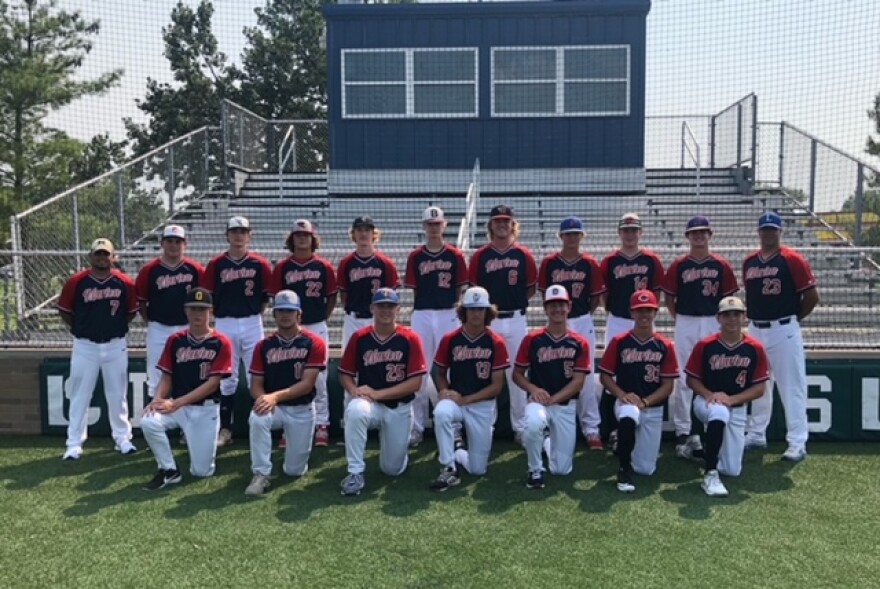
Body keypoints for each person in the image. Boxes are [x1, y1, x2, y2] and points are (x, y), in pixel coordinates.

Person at [742, 212, 819, 461]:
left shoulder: (792, 259)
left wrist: (792, 319)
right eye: (764, 229)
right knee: (760, 385)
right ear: (759, 232)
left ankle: (797, 441)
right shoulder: (750, 262)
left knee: (791, 387)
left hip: (783, 327)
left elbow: (811, 297)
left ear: (780, 231)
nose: (768, 234)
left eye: (772, 229)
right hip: (756, 328)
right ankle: (756, 433)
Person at [140, 288, 233, 490]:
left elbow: (213, 383)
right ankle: (169, 470)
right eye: (193, 309)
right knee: (148, 421)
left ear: (211, 311)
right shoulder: (175, 340)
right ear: (185, 311)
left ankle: (198, 456)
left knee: (201, 471)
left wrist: (177, 402)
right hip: (178, 408)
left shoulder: (221, 342)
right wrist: (157, 399)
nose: (197, 313)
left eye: (202, 309)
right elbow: (167, 376)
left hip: (205, 409)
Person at [661, 216, 738, 461]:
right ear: (688, 237)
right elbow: (670, 298)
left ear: (710, 235)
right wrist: (680, 319)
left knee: (715, 372)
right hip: (687, 319)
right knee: (684, 374)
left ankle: (712, 424)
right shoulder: (679, 265)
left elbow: (729, 300)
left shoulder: (721, 265)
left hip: (713, 320)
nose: (699, 236)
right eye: (694, 233)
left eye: (703, 232)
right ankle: (683, 429)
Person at [337, 288, 426, 496]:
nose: (385, 310)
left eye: (390, 306)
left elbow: (415, 383)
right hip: (371, 405)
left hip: (399, 407)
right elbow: (345, 373)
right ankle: (355, 472)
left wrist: (377, 394)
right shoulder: (360, 337)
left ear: (398, 309)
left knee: (392, 470)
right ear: (372, 308)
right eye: (381, 306)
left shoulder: (410, 338)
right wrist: (354, 390)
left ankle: (397, 452)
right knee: (356, 410)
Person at [57, 238, 139, 460]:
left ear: (113, 256)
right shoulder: (77, 281)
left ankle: (123, 439)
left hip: (115, 345)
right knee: (80, 395)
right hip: (85, 345)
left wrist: (114, 326)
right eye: (98, 254)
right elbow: (65, 310)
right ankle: (74, 443)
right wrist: (80, 327)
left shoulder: (124, 282)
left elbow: (131, 312)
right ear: (90, 256)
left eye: (106, 254)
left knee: (117, 395)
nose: (102, 258)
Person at [244, 290, 327, 497]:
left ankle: (293, 456)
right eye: (280, 310)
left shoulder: (313, 342)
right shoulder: (264, 345)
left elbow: (307, 384)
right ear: (274, 314)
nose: (285, 315)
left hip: (302, 409)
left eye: (290, 311)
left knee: (294, 471)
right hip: (276, 408)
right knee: (257, 417)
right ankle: (261, 473)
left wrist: (274, 396)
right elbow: (255, 385)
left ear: (299, 314)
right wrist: (264, 399)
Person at [685, 296, 770, 496]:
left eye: (736, 314)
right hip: (707, 403)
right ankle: (710, 473)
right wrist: (709, 395)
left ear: (744, 317)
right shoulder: (705, 345)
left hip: (737, 407)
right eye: (726, 315)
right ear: (718, 318)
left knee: (732, 470)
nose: (732, 319)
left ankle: (699, 452)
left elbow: (759, 389)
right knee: (719, 413)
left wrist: (731, 400)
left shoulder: (754, 348)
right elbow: (691, 380)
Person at [429, 286, 509, 491]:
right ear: (463, 311)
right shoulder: (450, 339)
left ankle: (457, 447)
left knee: (477, 469)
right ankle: (448, 468)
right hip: (457, 400)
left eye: (480, 309)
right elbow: (439, 373)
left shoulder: (496, 342)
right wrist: (444, 391)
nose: (476, 313)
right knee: (442, 411)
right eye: (471, 309)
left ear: (487, 312)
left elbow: (497, 386)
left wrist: (466, 399)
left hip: (482, 404)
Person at [469, 204, 537, 443]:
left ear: (512, 225)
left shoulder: (523, 255)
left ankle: (520, 427)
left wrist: (514, 303)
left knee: (517, 374)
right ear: (490, 225)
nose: (501, 224)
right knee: (487, 375)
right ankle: (486, 427)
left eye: (505, 221)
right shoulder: (480, 256)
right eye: (497, 221)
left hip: (516, 318)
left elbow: (530, 288)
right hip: (490, 322)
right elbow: (474, 289)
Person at [203, 215, 272, 448]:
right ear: (227, 235)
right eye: (234, 231)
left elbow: (265, 297)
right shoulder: (216, 264)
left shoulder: (259, 263)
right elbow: (208, 295)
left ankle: (261, 424)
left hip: (252, 321)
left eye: (242, 232)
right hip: (225, 322)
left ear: (249, 235)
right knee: (227, 378)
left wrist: (254, 314)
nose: (238, 236)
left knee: (257, 374)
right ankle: (225, 428)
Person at [599, 290, 678, 493]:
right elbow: (605, 376)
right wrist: (621, 394)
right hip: (627, 402)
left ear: (655, 313)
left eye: (648, 310)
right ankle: (624, 469)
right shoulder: (619, 341)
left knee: (646, 469)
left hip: (652, 408)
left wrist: (646, 402)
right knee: (629, 413)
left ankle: (624, 445)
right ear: (632, 313)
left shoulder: (665, 345)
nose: (644, 315)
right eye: (639, 310)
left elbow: (668, 386)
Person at [538, 216, 605, 450]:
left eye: (576, 234)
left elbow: (595, 298)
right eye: (568, 234)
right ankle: (545, 423)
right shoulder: (549, 263)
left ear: (582, 236)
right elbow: (545, 295)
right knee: (550, 370)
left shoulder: (589, 263)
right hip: (557, 319)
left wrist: (580, 314)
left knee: (585, 376)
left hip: (580, 318)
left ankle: (591, 428)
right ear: (561, 236)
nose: (572, 238)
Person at [513, 285, 591, 489]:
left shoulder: (580, 342)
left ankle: (546, 441)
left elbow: (578, 382)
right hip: (538, 402)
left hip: (564, 405)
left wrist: (554, 399)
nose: (557, 309)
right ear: (545, 309)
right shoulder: (532, 339)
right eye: (552, 305)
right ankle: (535, 469)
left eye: (561, 305)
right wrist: (533, 390)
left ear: (569, 307)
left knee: (562, 469)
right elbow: (517, 375)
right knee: (532, 423)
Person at [404, 206, 468, 447]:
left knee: (451, 368)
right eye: (429, 224)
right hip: (422, 312)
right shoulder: (416, 256)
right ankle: (416, 426)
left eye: (437, 223)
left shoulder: (455, 255)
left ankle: (454, 426)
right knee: (419, 370)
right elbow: (414, 288)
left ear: (445, 225)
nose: (433, 228)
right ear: (424, 227)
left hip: (448, 311)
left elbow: (460, 288)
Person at [598, 213, 664, 445]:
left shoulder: (651, 259)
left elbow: (655, 293)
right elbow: (604, 293)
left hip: (644, 319)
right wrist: (614, 310)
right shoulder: (610, 260)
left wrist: (647, 314)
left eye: (634, 230)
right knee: (613, 371)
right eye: (626, 230)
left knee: (643, 365)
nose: (630, 234)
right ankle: (612, 427)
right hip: (618, 318)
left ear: (640, 233)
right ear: (619, 233)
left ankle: (641, 418)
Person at [271, 219, 337, 447]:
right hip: (290, 329)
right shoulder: (283, 267)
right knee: (289, 375)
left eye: (306, 235)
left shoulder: (323, 266)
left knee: (319, 378)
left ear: (312, 239)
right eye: (298, 235)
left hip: (316, 324)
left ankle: (322, 424)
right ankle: (288, 427)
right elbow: (276, 299)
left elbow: (331, 297)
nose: (302, 239)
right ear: (292, 238)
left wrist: (321, 317)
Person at [135, 224, 204, 399]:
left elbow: (205, 300)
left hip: (187, 327)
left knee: (188, 371)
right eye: (170, 241)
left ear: (185, 244)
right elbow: (142, 302)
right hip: (159, 326)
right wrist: (151, 321)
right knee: (156, 371)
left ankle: (186, 418)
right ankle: (155, 414)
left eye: (178, 241)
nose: (174, 245)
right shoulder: (150, 270)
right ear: (162, 243)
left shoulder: (195, 269)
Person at [336, 215, 401, 354]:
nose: (363, 233)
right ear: (353, 234)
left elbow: (392, 295)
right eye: (359, 230)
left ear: (374, 233)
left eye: (367, 230)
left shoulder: (385, 263)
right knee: (350, 359)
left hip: (377, 319)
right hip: (353, 318)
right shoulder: (346, 263)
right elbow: (343, 294)